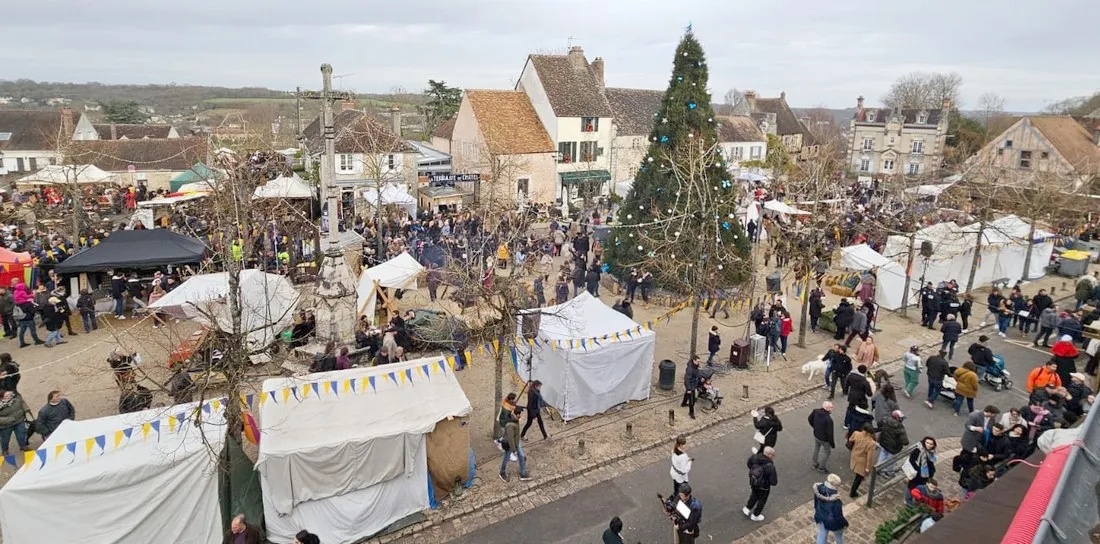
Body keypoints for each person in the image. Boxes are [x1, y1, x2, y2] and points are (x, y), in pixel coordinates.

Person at [813, 473, 849, 544]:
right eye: (837, 485)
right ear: (833, 484)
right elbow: (838, 516)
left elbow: (816, 503)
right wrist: (845, 524)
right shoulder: (836, 500)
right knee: (839, 535)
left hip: (820, 516)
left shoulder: (819, 488)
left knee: (822, 535)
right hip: (832, 521)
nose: (838, 487)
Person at [744, 446, 778, 521]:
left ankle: (747, 508)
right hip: (764, 486)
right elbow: (774, 482)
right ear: (769, 455)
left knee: (754, 494)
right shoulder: (770, 467)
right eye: (773, 455)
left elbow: (749, 464)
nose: (774, 456)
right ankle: (756, 515)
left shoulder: (755, 457)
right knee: (762, 500)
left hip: (754, 481)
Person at [499, 406, 531, 482]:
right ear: (517, 414)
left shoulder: (515, 420)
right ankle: (502, 472)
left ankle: (522, 474)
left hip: (516, 443)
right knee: (506, 458)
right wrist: (514, 450)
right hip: (511, 445)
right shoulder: (511, 424)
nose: (521, 416)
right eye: (520, 414)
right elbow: (510, 438)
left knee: (522, 457)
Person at [846, 423, 877, 498]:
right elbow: (870, 457)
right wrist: (868, 468)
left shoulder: (856, 433)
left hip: (854, 455)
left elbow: (850, 440)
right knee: (858, 478)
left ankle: (853, 491)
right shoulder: (871, 443)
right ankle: (853, 492)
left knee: (858, 475)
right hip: (862, 461)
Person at [905, 437, 938, 503]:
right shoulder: (918, 450)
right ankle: (908, 501)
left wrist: (931, 472)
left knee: (921, 488)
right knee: (911, 487)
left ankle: (917, 500)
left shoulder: (931, 452)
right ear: (924, 442)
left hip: (926, 474)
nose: (928, 445)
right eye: (927, 443)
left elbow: (931, 462)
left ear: (933, 445)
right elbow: (911, 459)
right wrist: (918, 469)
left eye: (931, 444)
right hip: (918, 474)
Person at [0, 390, 31, 455]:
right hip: (6, 426)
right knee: (5, 439)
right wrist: (10, 419)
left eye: (9, 394)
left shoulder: (16, 397)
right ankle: (5, 450)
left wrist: (26, 409)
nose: (10, 396)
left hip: (19, 421)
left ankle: (23, 446)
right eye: (7, 396)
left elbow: (22, 402)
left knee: (21, 435)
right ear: (2, 398)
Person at [808, 401, 835, 473]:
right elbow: (830, 434)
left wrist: (814, 427)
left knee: (816, 448)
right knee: (827, 452)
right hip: (824, 439)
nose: (833, 408)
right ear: (827, 408)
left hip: (816, 434)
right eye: (831, 407)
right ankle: (821, 467)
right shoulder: (828, 420)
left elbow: (810, 419)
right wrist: (832, 443)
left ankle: (814, 463)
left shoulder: (815, 411)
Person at [843, 365, 872, 429]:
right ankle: (860, 423)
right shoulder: (864, 381)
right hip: (861, 398)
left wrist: (845, 391)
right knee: (861, 410)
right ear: (865, 372)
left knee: (850, 409)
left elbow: (846, 384)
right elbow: (869, 393)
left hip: (852, 395)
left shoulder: (851, 375)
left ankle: (846, 423)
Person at [682, 355, 700, 420]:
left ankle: (683, 403)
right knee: (692, 400)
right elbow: (687, 379)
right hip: (691, 385)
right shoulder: (690, 369)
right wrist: (689, 388)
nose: (699, 363)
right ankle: (691, 413)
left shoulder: (694, 367)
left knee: (687, 394)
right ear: (694, 361)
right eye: (697, 361)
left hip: (692, 384)